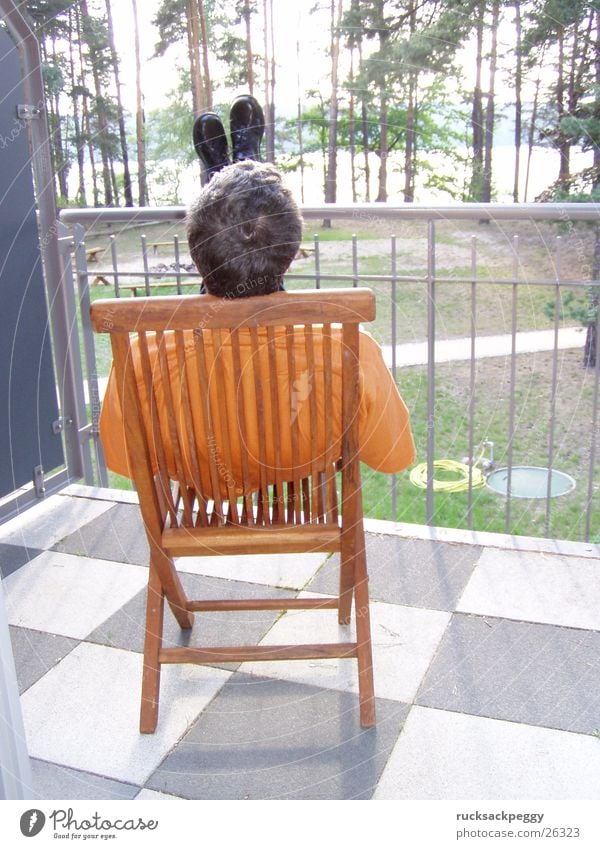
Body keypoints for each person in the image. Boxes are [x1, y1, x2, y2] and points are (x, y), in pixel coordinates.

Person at [99, 100, 415, 489]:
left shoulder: (143, 357)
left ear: (196, 255)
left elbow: (122, 459)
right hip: (299, 479)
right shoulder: (352, 350)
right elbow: (393, 457)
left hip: (204, 481)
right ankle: (238, 178)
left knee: (232, 257)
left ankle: (223, 182)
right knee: (246, 254)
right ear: (292, 251)